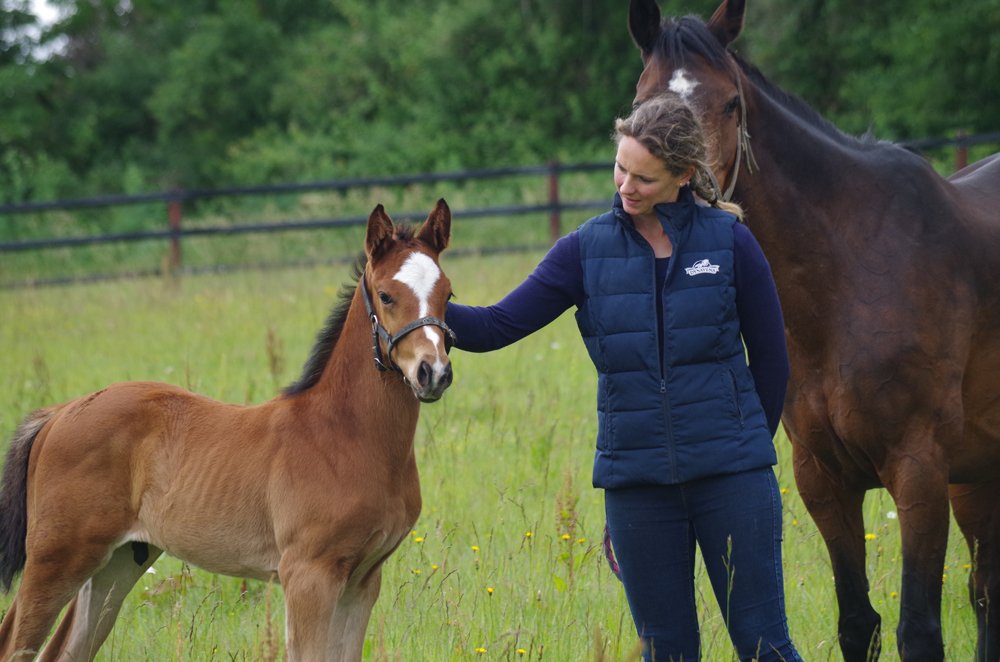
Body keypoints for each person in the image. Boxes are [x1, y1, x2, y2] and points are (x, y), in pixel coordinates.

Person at [445, 91, 801, 661]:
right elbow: (494, 326)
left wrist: (746, 445)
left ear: (683, 176)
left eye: (644, 178)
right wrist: (417, 300)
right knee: (665, 651)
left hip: (733, 481)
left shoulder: (730, 242)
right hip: (637, 487)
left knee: (764, 646)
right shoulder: (584, 251)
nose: (626, 186)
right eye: (621, 168)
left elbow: (772, 359)